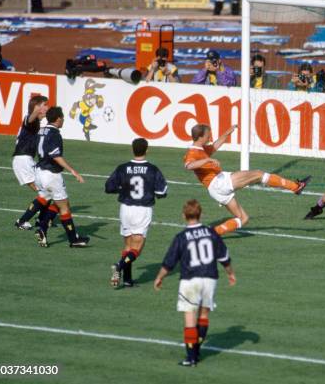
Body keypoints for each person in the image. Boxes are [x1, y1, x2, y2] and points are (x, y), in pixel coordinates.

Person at [184, 124, 311, 235]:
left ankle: (214, 233)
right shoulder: (193, 152)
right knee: (259, 174)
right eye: (207, 135)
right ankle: (295, 187)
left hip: (215, 190)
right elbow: (188, 166)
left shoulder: (202, 149)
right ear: (200, 137)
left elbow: (215, 146)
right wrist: (208, 160)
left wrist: (227, 132)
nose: (210, 137)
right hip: (219, 182)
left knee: (243, 218)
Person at [154, 199, 237, 367]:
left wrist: (160, 277)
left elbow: (169, 263)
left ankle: (191, 357)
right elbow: (224, 257)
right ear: (201, 215)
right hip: (210, 278)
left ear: (184, 216)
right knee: (204, 316)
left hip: (190, 280)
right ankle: (197, 350)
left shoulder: (181, 237)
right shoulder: (211, 232)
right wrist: (230, 274)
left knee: (190, 319)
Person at [18, 106, 90, 248]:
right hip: (51, 175)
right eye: (62, 118)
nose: (63, 120)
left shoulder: (41, 130)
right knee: (64, 207)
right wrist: (73, 171)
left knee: (50, 200)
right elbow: (56, 156)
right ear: (58, 119)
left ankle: (41, 228)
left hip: (39, 172)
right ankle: (72, 239)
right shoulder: (55, 133)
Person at [105, 138, 168, 288]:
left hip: (125, 209)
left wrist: (122, 189)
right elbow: (162, 191)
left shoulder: (122, 168)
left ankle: (127, 279)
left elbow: (108, 187)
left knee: (128, 245)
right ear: (147, 150)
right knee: (137, 248)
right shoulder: (152, 169)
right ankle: (119, 267)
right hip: (142, 209)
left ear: (132, 149)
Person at [13, 95, 59, 231]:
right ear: (37, 107)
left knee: (46, 193)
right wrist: (36, 110)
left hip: (26, 160)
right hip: (23, 160)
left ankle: (42, 220)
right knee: (45, 193)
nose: (47, 107)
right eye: (45, 104)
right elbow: (30, 118)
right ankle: (24, 221)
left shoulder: (36, 123)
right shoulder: (30, 120)